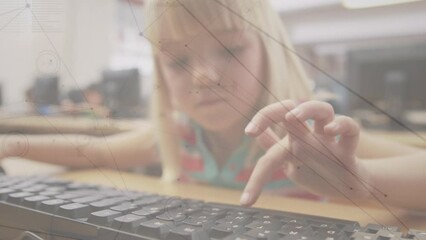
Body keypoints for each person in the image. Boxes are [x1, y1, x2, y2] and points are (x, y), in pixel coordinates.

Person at [1, 0, 425, 211]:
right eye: (180, 61)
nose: (204, 76)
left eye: (230, 48)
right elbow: (91, 151)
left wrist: (365, 180)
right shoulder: (179, 136)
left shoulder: (308, 136)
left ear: (268, 50)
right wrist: (12, 146)